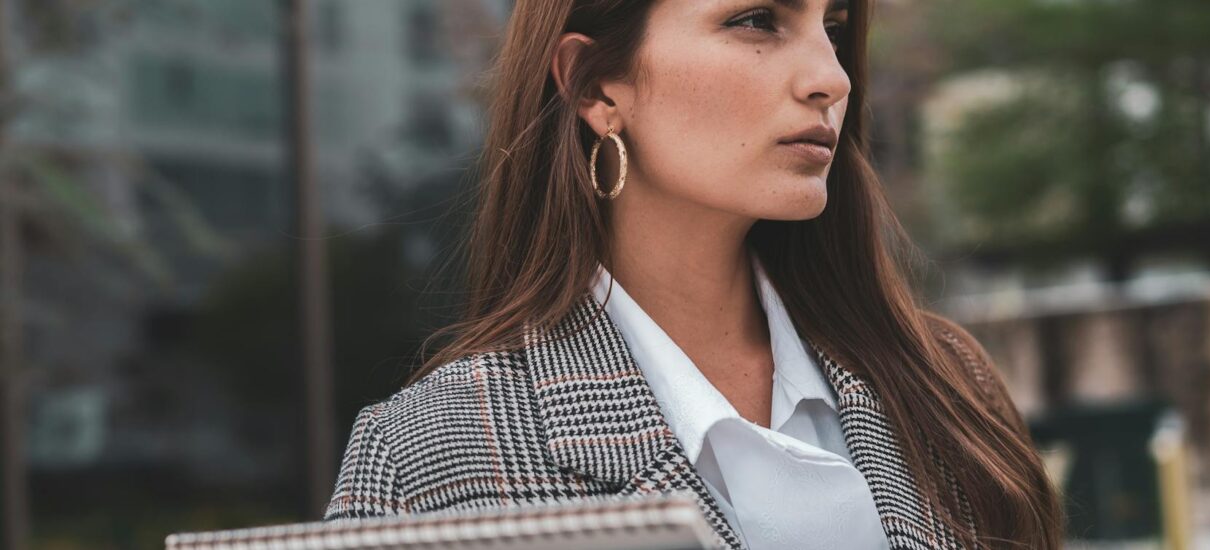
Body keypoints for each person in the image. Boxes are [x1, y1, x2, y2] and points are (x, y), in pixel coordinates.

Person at [323, 1, 1063, 548]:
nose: (830, 78)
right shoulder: (436, 448)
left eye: (832, 26)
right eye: (757, 21)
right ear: (596, 86)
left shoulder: (946, 385)